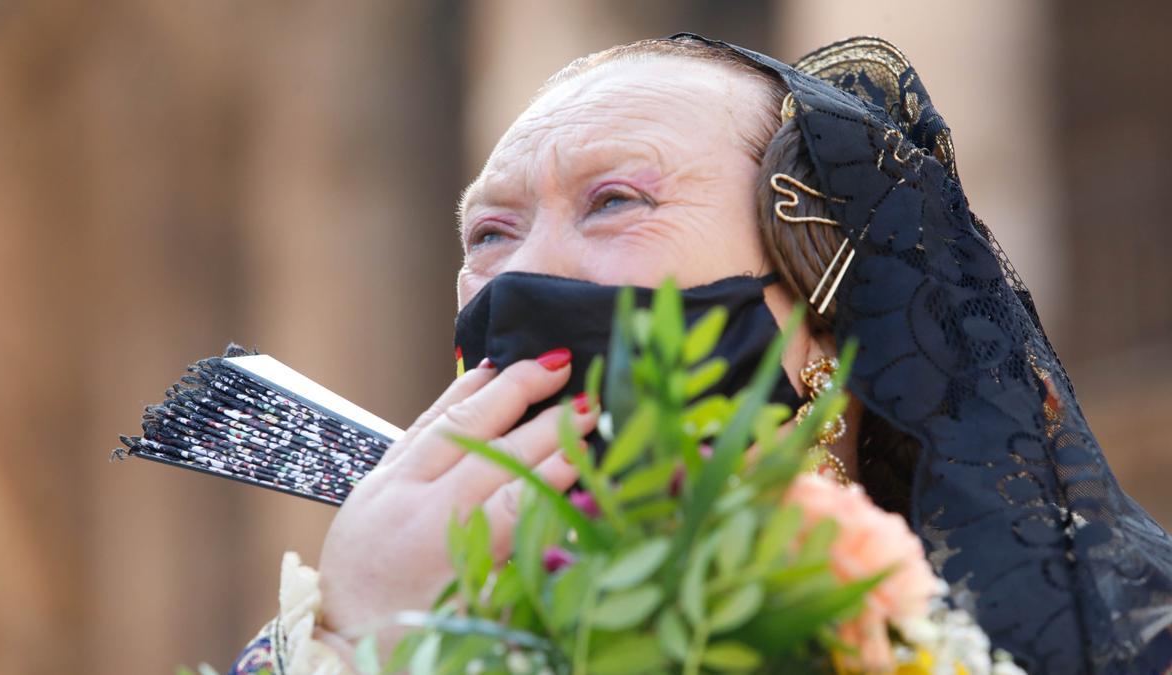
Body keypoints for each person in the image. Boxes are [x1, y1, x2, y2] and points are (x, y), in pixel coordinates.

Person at [229, 35, 1172, 675]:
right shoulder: (335, 631)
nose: (526, 273)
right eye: (488, 232)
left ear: (824, 300)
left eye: (613, 202)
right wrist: (364, 638)